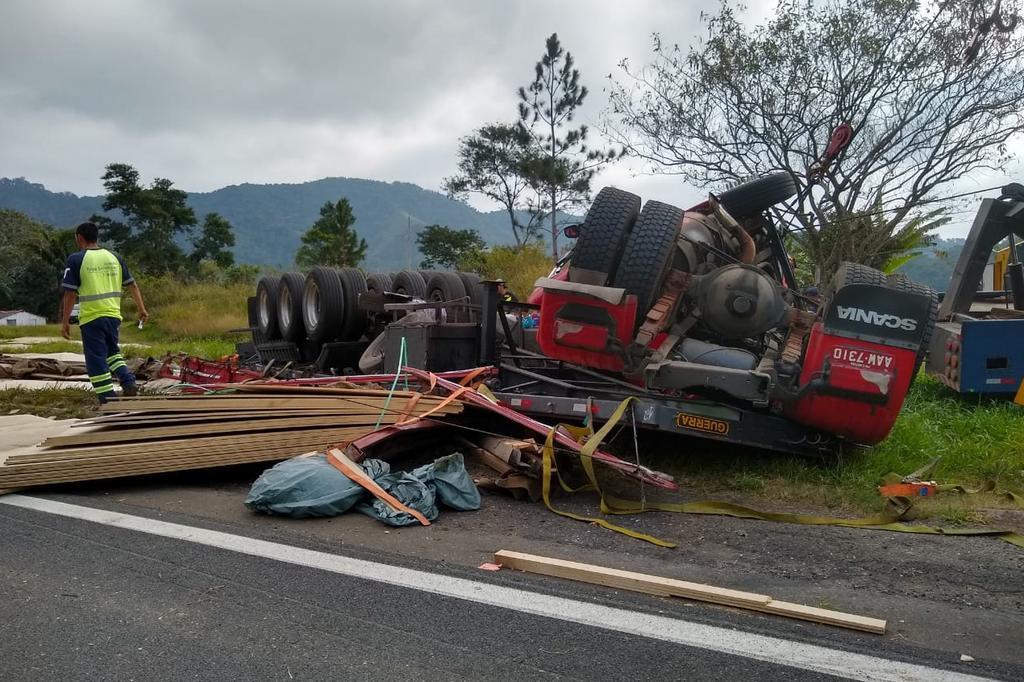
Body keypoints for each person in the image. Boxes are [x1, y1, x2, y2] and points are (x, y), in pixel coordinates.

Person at [60, 222, 149, 403]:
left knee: (96, 360)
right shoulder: (114, 256)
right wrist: (142, 309)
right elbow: (132, 285)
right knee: (112, 353)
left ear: (79, 237)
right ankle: (128, 381)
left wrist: (65, 321)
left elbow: (70, 293)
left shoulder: (76, 259)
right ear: (96, 237)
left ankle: (107, 399)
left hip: (92, 317)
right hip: (113, 316)